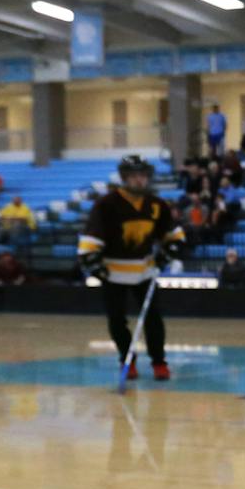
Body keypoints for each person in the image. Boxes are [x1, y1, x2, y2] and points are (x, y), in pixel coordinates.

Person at [79, 155, 186, 381]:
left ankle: (159, 362)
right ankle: (127, 360)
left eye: (143, 176)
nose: (140, 181)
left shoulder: (157, 205)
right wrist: (92, 260)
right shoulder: (107, 204)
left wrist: (171, 248)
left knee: (153, 318)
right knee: (117, 320)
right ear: (124, 178)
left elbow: (172, 234)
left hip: (144, 270)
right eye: (134, 176)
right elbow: (92, 236)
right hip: (113, 271)